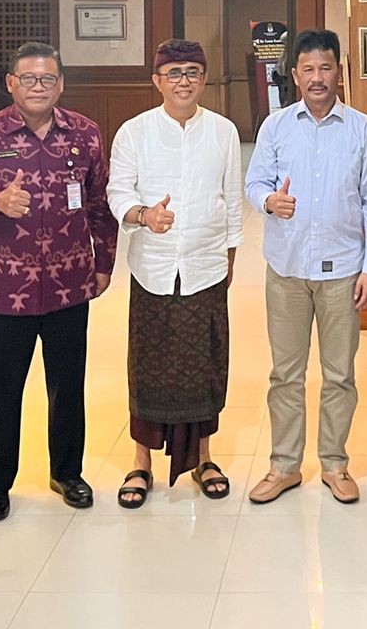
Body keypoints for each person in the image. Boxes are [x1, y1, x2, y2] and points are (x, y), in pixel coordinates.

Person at [0, 41, 117, 521]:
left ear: (60, 84)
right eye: (28, 78)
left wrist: (104, 262)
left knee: (67, 386)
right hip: (7, 289)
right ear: (11, 84)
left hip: (70, 283)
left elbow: (100, 204)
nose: (38, 87)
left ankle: (67, 473)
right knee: (1, 390)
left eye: (47, 79)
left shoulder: (84, 133)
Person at [244, 28, 367, 505]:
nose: (317, 77)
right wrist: (269, 200)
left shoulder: (362, 129)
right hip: (286, 270)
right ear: (294, 75)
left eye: (325, 67)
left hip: (344, 271)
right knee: (285, 374)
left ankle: (334, 463)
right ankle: (284, 466)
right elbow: (254, 183)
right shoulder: (276, 126)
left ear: (339, 72)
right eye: (308, 69)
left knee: (339, 374)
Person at [107, 39, 242, 507]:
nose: (184, 81)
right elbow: (117, 192)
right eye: (174, 73)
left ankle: (204, 458)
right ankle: (141, 461)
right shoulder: (134, 132)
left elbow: (232, 200)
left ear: (203, 79)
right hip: (154, 267)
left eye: (192, 72)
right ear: (157, 81)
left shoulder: (223, 131)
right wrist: (144, 215)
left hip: (205, 266)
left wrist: (230, 255)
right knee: (148, 363)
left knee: (206, 364)